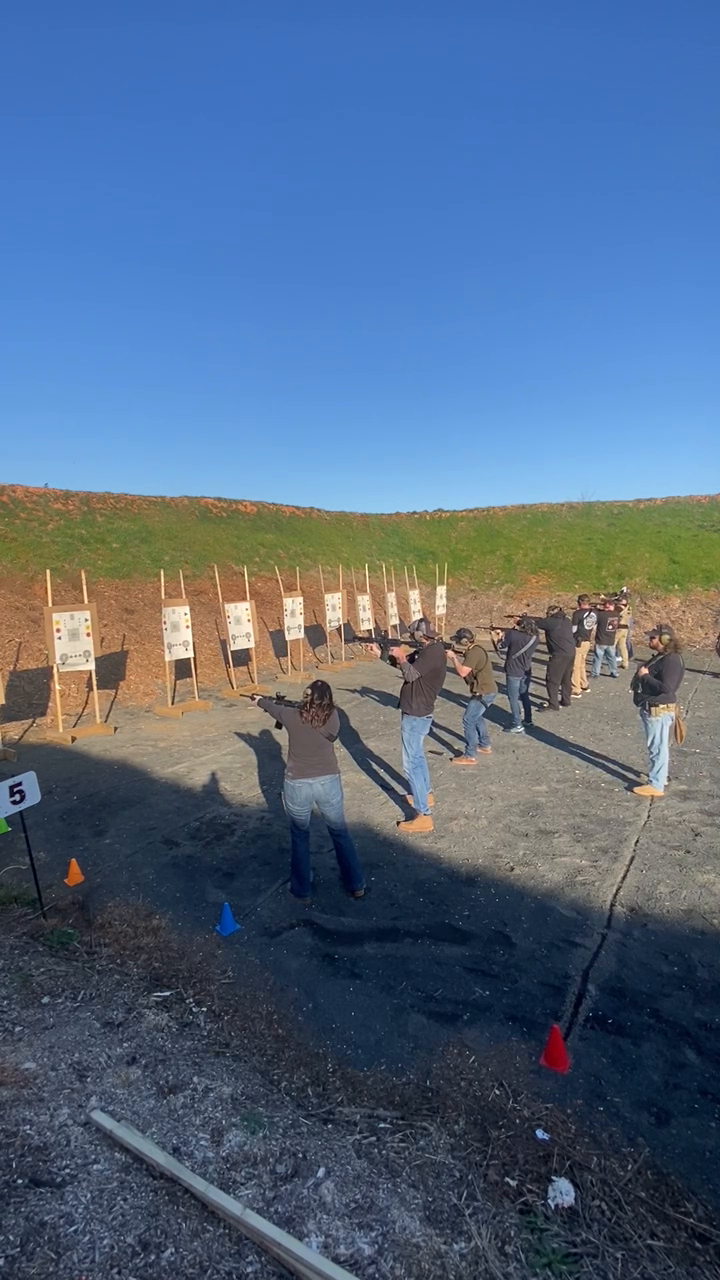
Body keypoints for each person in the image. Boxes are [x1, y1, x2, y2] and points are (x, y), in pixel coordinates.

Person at [251, 681, 365, 903]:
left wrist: (259, 701)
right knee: (340, 832)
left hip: (298, 783)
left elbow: (270, 706)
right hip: (328, 780)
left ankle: (302, 889)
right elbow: (309, 714)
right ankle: (356, 883)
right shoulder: (333, 717)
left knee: (300, 836)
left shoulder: (292, 716)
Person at [370, 616, 447, 833]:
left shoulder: (432, 652)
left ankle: (423, 814)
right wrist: (381, 654)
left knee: (411, 763)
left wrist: (401, 656)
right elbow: (406, 665)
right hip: (419, 711)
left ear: (420, 635)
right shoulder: (431, 649)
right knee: (418, 757)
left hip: (416, 712)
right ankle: (426, 795)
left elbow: (410, 673)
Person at [630, 625, 685, 798]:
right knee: (657, 747)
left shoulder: (671, 660)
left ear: (665, 640)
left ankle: (656, 784)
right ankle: (660, 777)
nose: (650, 640)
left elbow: (667, 688)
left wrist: (645, 676)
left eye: (653, 638)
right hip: (654, 709)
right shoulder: (664, 657)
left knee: (658, 748)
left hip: (658, 711)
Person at [446, 627, 497, 764]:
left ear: (464, 641)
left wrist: (453, 658)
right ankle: (485, 745)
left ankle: (470, 755)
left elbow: (463, 672)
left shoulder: (473, 653)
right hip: (486, 690)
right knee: (476, 717)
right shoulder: (475, 649)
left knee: (468, 720)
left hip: (483, 692)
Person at [491, 615, 538, 733]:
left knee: (513, 698)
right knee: (524, 695)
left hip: (513, 669)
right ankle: (528, 719)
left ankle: (517, 723)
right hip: (526, 669)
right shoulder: (535, 638)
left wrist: (498, 637)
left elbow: (501, 646)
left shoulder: (513, 635)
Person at [532, 605, 576, 711]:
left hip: (559, 654)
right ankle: (566, 700)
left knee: (552, 679)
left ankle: (553, 704)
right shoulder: (566, 620)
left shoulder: (552, 622)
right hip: (570, 652)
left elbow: (537, 624)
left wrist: (522, 620)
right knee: (566, 678)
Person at [571, 595, 597, 698]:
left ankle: (576, 689)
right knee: (582, 664)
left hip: (578, 641)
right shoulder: (595, 612)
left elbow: (573, 629)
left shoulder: (577, 614)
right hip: (587, 640)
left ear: (580, 603)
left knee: (575, 666)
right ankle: (584, 684)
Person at [592, 600, 620, 678]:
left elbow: (596, 618)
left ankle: (595, 673)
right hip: (611, 640)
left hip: (601, 640)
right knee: (612, 658)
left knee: (598, 658)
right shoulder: (616, 614)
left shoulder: (601, 615)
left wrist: (597, 609)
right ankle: (614, 672)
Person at [615, 594, 632, 670]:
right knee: (622, 646)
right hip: (625, 628)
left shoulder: (620, 608)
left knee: (612, 644)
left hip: (619, 628)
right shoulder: (629, 608)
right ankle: (625, 663)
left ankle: (611, 662)